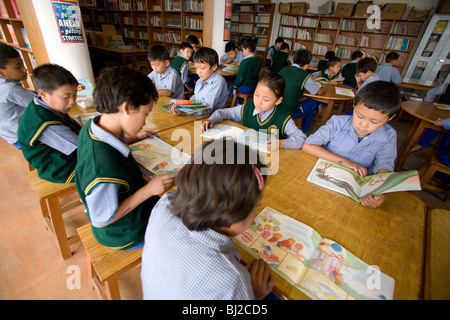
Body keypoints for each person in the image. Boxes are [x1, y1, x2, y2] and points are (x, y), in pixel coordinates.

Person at [141, 138, 274, 299]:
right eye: (255, 207)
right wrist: (254, 294)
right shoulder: (233, 281)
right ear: (230, 214)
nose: (254, 219)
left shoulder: (164, 205)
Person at [75, 67, 176, 250]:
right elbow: (102, 219)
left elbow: (113, 139)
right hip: (123, 231)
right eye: (145, 114)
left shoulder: (94, 125)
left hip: (126, 206)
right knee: (181, 217)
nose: (145, 121)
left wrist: (135, 137)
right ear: (127, 107)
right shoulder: (102, 167)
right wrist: (149, 190)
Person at [302, 81, 401, 208]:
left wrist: (378, 191)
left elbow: (384, 166)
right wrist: (346, 163)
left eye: (374, 121)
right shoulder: (338, 123)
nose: (363, 126)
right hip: (324, 179)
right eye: (359, 116)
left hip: (355, 191)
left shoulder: (389, 135)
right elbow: (308, 145)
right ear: (354, 104)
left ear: (390, 118)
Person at [203, 71, 306, 151]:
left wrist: (281, 143)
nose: (258, 102)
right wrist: (212, 119)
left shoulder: (283, 118)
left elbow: (301, 139)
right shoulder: (249, 107)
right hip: (246, 153)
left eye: (266, 99)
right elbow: (225, 112)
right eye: (256, 95)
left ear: (278, 101)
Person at [18, 64, 80, 183]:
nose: (72, 101)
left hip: (57, 155)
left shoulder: (41, 103)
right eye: (66, 97)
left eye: (74, 95)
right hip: (58, 168)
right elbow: (83, 147)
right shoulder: (46, 124)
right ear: (43, 94)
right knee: (105, 162)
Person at [170, 47, 228, 116]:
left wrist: (187, 112)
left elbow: (208, 107)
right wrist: (185, 105)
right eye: (196, 68)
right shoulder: (200, 81)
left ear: (214, 67)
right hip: (198, 115)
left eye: (202, 68)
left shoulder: (218, 81)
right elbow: (196, 98)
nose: (198, 72)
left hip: (211, 118)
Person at [278, 49, 324, 133]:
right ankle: (303, 131)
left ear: (292, 60)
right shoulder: (305, 75)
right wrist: (323, 86)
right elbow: (318, 92)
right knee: (313, 103)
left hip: (276, 107)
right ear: (306, 65)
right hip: (290, 111)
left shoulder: (283, 70)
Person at [0, 43, 35, 148]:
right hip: (22, 136)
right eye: (18, 67)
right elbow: (41, 103)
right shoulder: (10, 89)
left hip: (8, 133)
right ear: (1, 73)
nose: (25, 69)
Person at [231, 38, 262, 105]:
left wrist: (235, 87)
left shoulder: (244, 62)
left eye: (243, 50)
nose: (243, 52)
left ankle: (238, 105)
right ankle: (243, 103)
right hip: (254, 87)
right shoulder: (258, 62)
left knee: (231, 89)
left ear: (247, 50)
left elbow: (240, 77)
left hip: (245, 88)